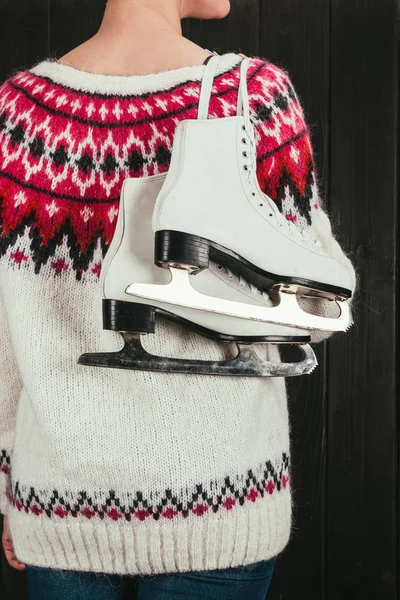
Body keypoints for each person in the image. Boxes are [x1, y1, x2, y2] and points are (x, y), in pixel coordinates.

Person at [0, 0, 356, 598]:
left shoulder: (17, 112)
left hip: (60, 495)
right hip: (221, 494)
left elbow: (5, 336)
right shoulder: (253, 98)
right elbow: (315, 312)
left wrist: (9, 479)